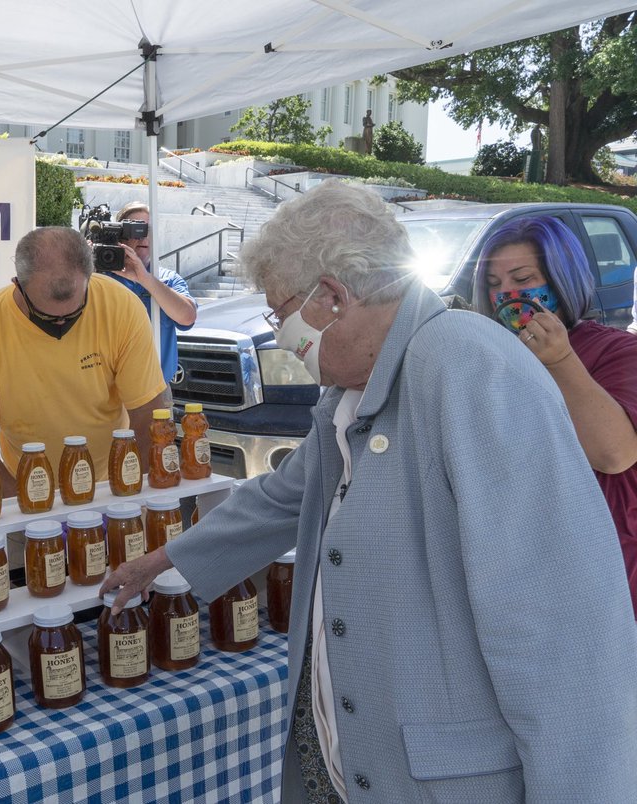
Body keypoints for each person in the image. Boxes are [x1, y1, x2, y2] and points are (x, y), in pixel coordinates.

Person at [101, 181, 637, 802]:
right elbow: (283, 494)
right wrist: (163, 560)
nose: (279, 335)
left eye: (280, 313)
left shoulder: (469, 367)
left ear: (332, 297)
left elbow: (560, 628)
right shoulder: (354, 387)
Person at [472, 215, 637, 617]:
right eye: (493, 284)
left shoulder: (618, 351)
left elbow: (614, 454)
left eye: (522, 279)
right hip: (519, 572)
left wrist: (560, 360)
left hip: (603, 577)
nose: (507, 294)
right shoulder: (490, 358)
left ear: (563, 281)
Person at [0, 226, 168, 496]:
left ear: (89, 278)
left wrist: (126, 490)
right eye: (46, 317)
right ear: (18, 284)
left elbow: (148, 412)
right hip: (27, 486)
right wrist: (22, 503)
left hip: (109, 485)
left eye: (73, 314)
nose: (60, 323)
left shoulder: (122, 307)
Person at [109, 201, 198, 382]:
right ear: (119, 234)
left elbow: (187, 316)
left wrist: (145, 279)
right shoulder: (101, 277)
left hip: (156, 387)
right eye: (135, 229)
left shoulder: (168, 279)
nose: (143, 236)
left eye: (148, 230)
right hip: (109, 387)